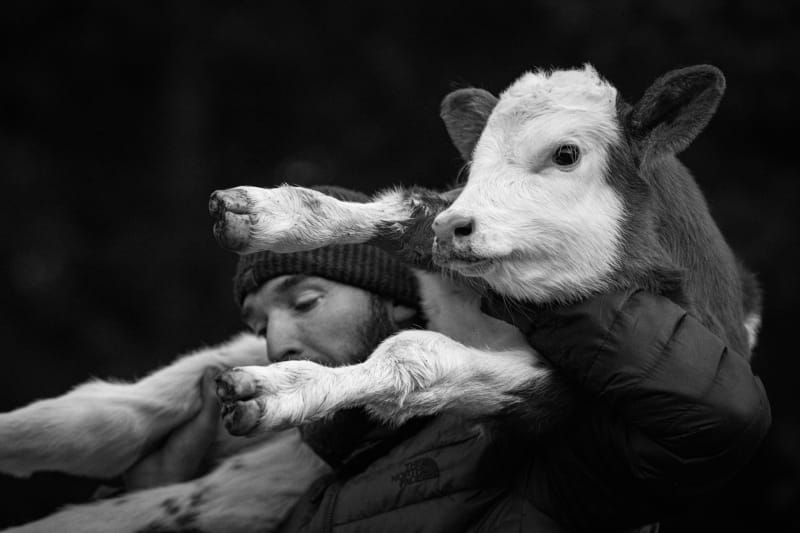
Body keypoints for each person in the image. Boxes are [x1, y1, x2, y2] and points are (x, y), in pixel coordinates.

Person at [202, 185, 769, 533]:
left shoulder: (537, 458)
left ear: (402, 303)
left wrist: (522, 289)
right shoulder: (305, 508)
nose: (277, 342)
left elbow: (717, 413)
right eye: (257, 326)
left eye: (304, 302)